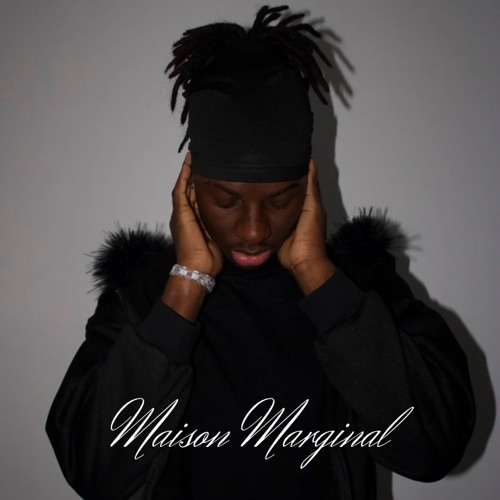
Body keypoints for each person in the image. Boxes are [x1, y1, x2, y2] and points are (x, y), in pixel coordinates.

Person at [46, 6, 475, 500]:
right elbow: (96, 474)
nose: (254, 230)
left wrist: (318, 278)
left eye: (280, 200)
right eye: (227, 200)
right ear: (190, 188)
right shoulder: (142, 300)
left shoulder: (359, 293)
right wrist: (184, 288)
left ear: (309, 186)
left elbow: (433, 449)